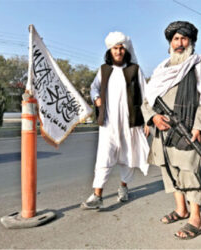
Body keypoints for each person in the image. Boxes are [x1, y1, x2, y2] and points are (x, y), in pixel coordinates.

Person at [141, 21, 201, 239]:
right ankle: (180, 209)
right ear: (170, 43)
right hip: (162, 129)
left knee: (188, 171)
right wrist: (153, 117)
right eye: (176, 39)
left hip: (186, 129)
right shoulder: (161, 69)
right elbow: (147, 101)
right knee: (168, 170)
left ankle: (195, 218)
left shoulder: (198, 65)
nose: (180, 43)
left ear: (191, 42)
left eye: (184, 38)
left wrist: (200, 127)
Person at [81, 31, 149, 210]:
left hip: (130, 122)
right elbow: (94, 87)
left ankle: (123, 188)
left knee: (128, 156)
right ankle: (97, 195)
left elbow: (145, 94)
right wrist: (96, 98)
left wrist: (148, 120)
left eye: (121, 48)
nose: (118, 51)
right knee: (104, 156)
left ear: (125, 50)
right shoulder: (104, 69)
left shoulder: (135, 70)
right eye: (115, 48)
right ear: (110, 51)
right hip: (108, 123)